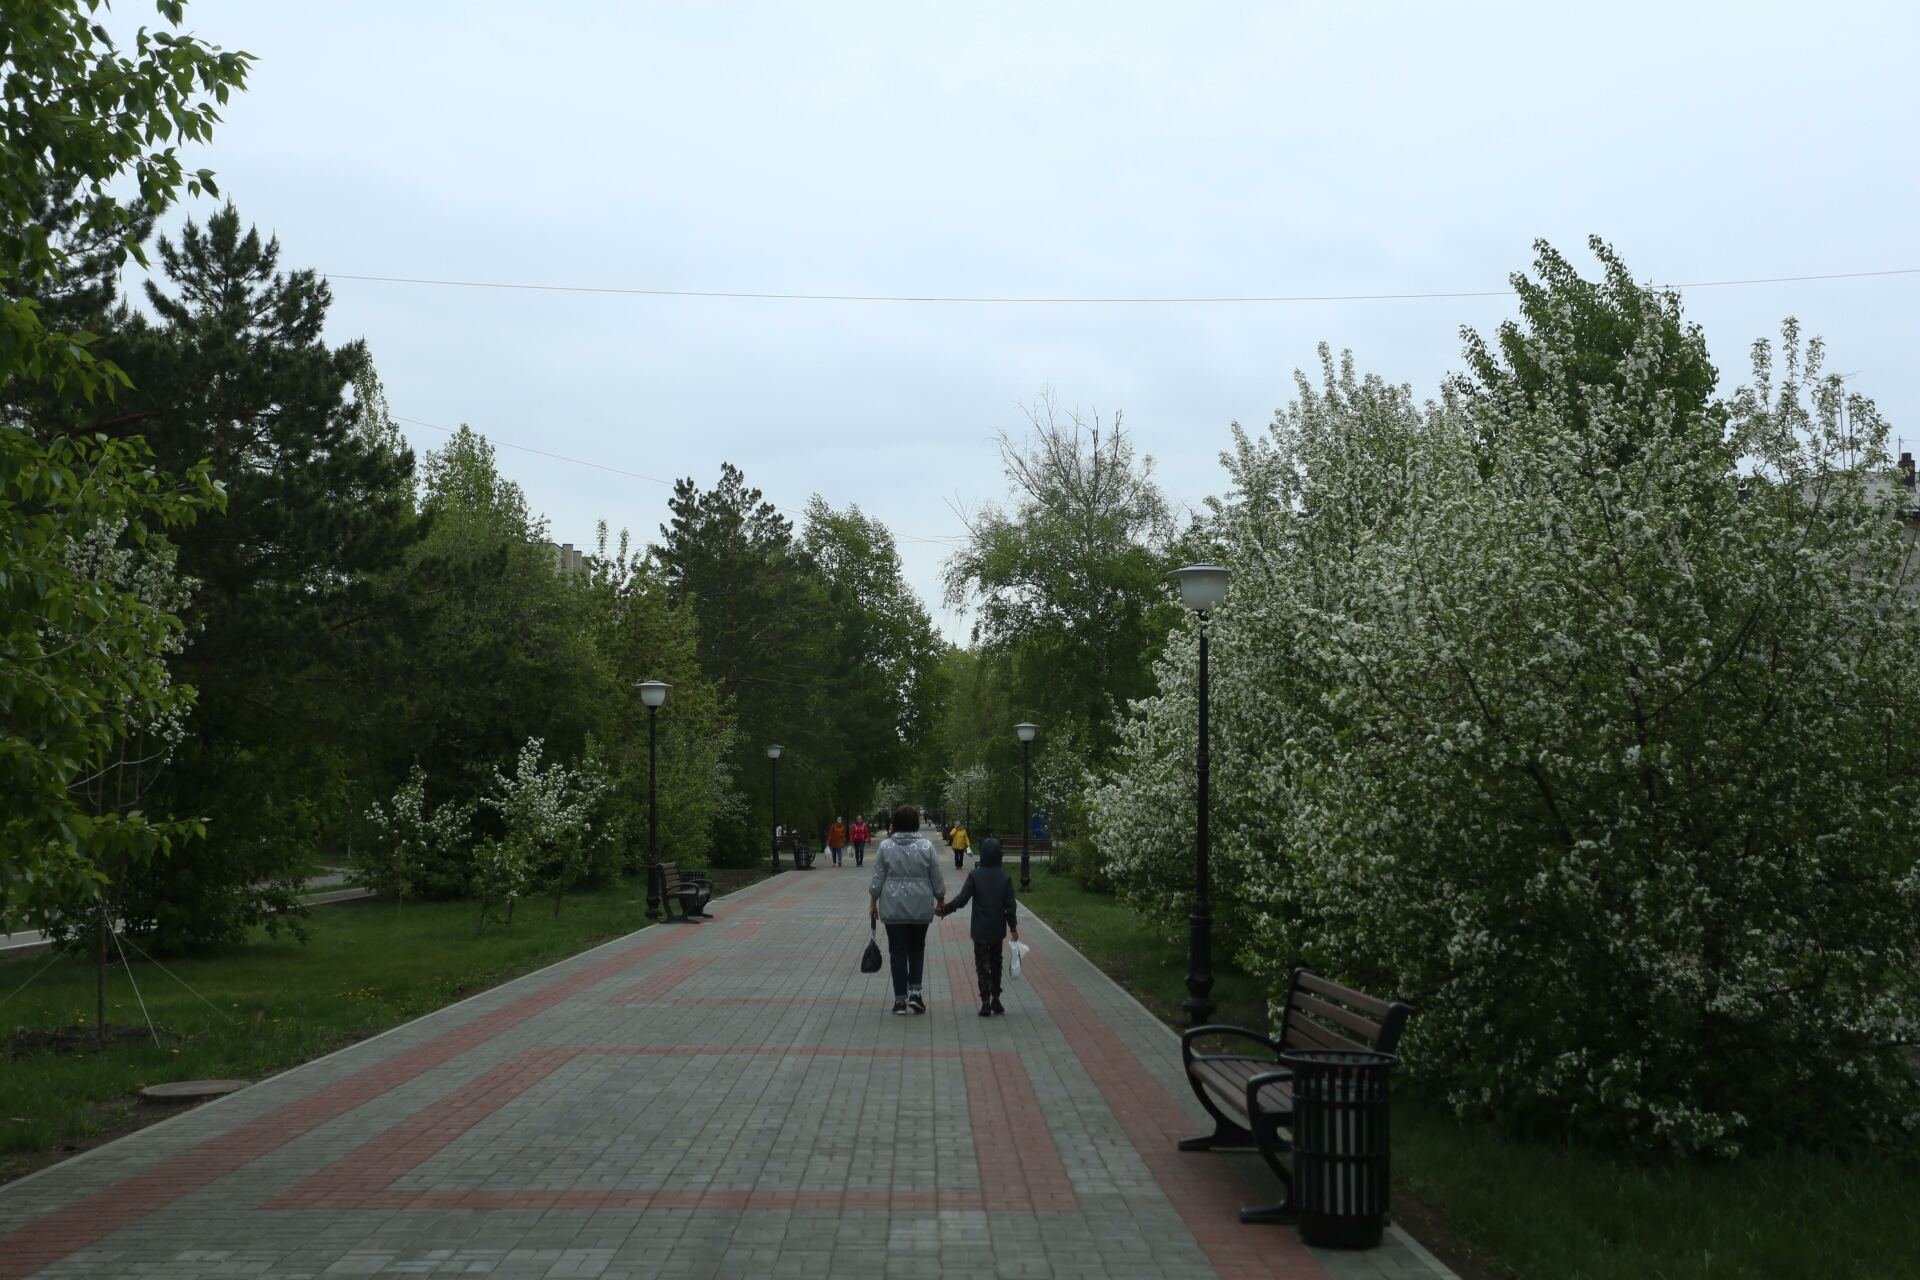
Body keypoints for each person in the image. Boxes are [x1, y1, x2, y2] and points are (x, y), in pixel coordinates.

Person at [868, 803, 945, 1014]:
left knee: (897, 952)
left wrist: (873, 902)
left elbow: (877, 878)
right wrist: (940, 898)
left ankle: (900, 1000)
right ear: (916, 823)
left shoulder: (885, 847)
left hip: (892, 908)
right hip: (920, 907)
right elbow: (936, 876)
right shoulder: (927, 846)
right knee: (917, 949)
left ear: (896, 823)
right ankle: (916, 994)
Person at [939, 837, 1018, 1016]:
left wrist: (945, 910)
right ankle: (996, 999)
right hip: (997, 929)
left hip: (980, 929)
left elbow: (962, 900)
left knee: (982, 965)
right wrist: (1013, 928)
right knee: (996, 962)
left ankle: (985, 1002)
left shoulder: (975, 875)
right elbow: (1010, 906)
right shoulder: (1004, 877)